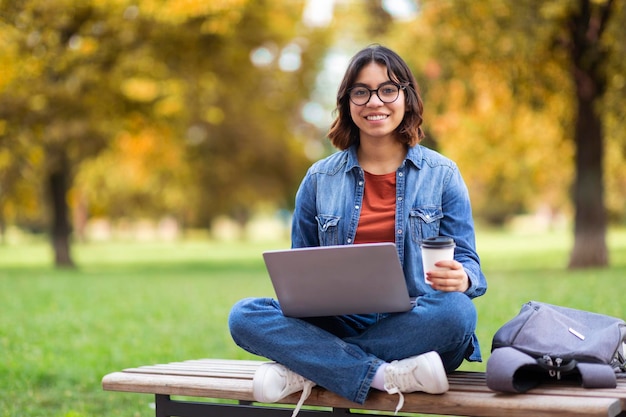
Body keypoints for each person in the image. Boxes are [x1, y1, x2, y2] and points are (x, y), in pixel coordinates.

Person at [228, 44, 487, 415]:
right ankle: (383, 374)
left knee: (457, 314)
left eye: (387, 89)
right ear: (348, 102)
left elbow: (470, 265)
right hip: (340, 321)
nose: (374, 102)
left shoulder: (442, 175)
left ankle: (310, 369)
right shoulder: (319, 179)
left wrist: (462, 278)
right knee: (244, 315)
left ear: (407, 97)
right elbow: (300, 278)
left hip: (416, 322)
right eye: (361, 92)